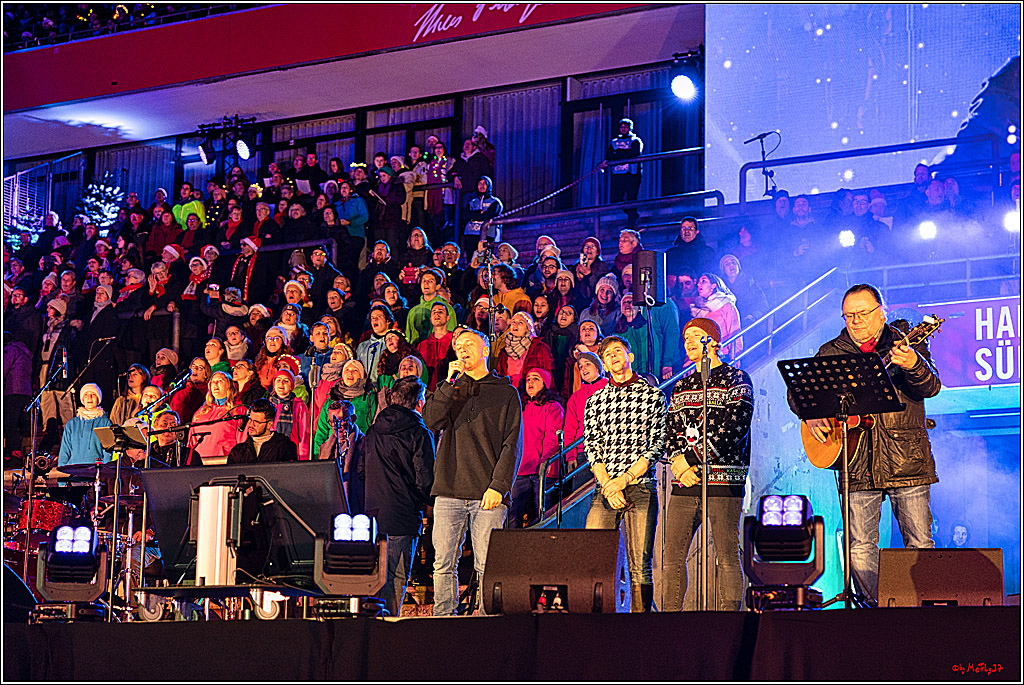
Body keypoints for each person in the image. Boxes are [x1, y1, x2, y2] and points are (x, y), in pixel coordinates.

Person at [794, 284, 941, 603]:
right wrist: (813, 414)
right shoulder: (831, 352)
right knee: (859, 548)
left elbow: (931, 387)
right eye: (849, 315)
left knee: (919, 544)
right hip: (854, 459)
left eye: (863, 313)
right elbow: (798, 395)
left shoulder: (904, 344)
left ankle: (924, 614)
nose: (856, 320)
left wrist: (913, 364)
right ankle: (877, 612)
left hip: (905, 458)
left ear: (881, 312)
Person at [423, 328, 522, 616]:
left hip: (487, 493)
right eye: (458, 346)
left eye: (469, 344)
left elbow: (512, 444)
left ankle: (485, 618)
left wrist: (499, 486)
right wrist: (448, 385)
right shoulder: (450, 388)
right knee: (443, 562)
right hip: (449, 489)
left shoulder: (506, 392)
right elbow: (431, 420)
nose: (462, 349)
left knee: (486, 564)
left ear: (485, 350)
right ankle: (444, 616)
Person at [663, 318, 754, 612]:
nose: (688, 341)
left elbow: (733, 430)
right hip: (686, 481)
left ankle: (730, 618)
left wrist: (689, 460)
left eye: (696, 336)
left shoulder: (737, 379)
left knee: (727, 552)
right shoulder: (681, 385)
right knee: (672, 555)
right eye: (686, 337)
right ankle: (670, 618)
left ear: (713, 341)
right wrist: (678, 465)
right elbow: (669, 431)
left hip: (723, 479)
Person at [583, 335, 664, 612]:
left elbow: (656, 446)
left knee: (640, 566)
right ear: (604, 364)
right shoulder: (595, 401)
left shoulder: (652, 396)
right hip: (605, 490)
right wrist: (608, 484)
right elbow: (592, 447)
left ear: (630, 356)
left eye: (618, 351)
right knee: (592, 558)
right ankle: (597, 624)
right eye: (608, 355)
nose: (614, 357)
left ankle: (640, 626)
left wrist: (623, 480)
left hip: (640, 487)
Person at [358, 376, 435, 617]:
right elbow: (425, 481)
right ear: (419, 402)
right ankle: (386, 625)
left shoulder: (372, 430)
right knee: (397, 575)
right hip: (403, 513)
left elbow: (361, 470)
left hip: (372, 514)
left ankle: (372, 623)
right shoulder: (419, 432)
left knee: (376, 574)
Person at [512, 368, 565, 528]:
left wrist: (546, 461)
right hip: (520, 469)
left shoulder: (552, 407)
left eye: (535, 379)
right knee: (513, 515)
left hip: (542, 470)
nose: (530, 382)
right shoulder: (520, 406)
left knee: (542, 515)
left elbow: (552, 437)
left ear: (545, 384)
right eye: (528, 379)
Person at [186, 370, 246, 464]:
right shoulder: (200, 412)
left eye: (220, 381)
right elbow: (191, 442)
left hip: (224, 463)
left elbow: (243, 442)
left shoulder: (238, 410)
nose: (216, 384)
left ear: (229, 385)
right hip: (199, 464)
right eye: (213, 382)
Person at [227, 398, 299, 464]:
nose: (251, 424)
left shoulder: (285, 447)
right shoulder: (238, 451)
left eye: (257, 422)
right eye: (250, 420)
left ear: (269, 424)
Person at [57, 383, 113, 467]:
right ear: (82, 398)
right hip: (73, 471)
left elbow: (107, 452)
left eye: (93, 394)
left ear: (98, 398)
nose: (89, 398)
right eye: (86, 395)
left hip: (95, 470)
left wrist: (105, 473)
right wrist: (62, 474)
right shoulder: (72, 424)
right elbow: (64, 451)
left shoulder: (105, 423)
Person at [603, 117, 643, 228]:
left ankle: (632, 222)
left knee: (631, 197)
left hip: (632, 173)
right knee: (616, 198)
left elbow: (633, 153)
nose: (623, 129)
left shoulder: (635, 140)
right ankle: (632, 214)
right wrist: (622, 153)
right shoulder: (614, 142)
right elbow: (609, 155)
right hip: (618, 173)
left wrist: (619, 153)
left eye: (626, 127)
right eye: (622, 127)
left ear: (630, 128)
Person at [268, 369, 311, 460]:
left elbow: (304, 435)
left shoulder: (299, 405)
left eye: (285, 381)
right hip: (270, 452)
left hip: (290, 452)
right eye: (278, 380)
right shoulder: (268, 404)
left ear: (292, 385)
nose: (281, 383)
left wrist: (303, 457)